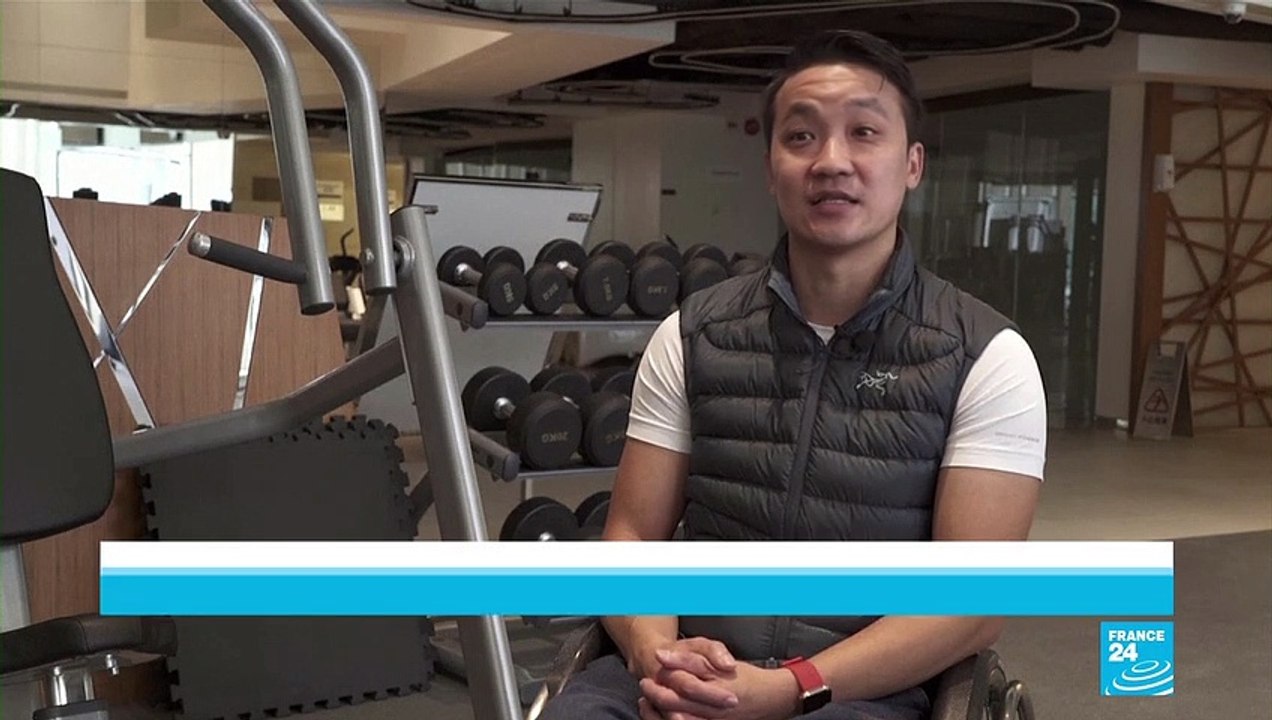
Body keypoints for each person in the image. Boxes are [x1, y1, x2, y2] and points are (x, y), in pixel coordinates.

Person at [542, 29, 1046, 720]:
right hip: (692, 664)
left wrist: (787, 689)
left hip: (864, 693)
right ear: (770, 165)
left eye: (864, 132)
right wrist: (660, 658)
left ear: (912, 164)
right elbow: (630, 536)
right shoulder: (691, 336)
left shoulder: (988, 358)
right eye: (802, 136)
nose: (831, 161)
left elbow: (973, 604)